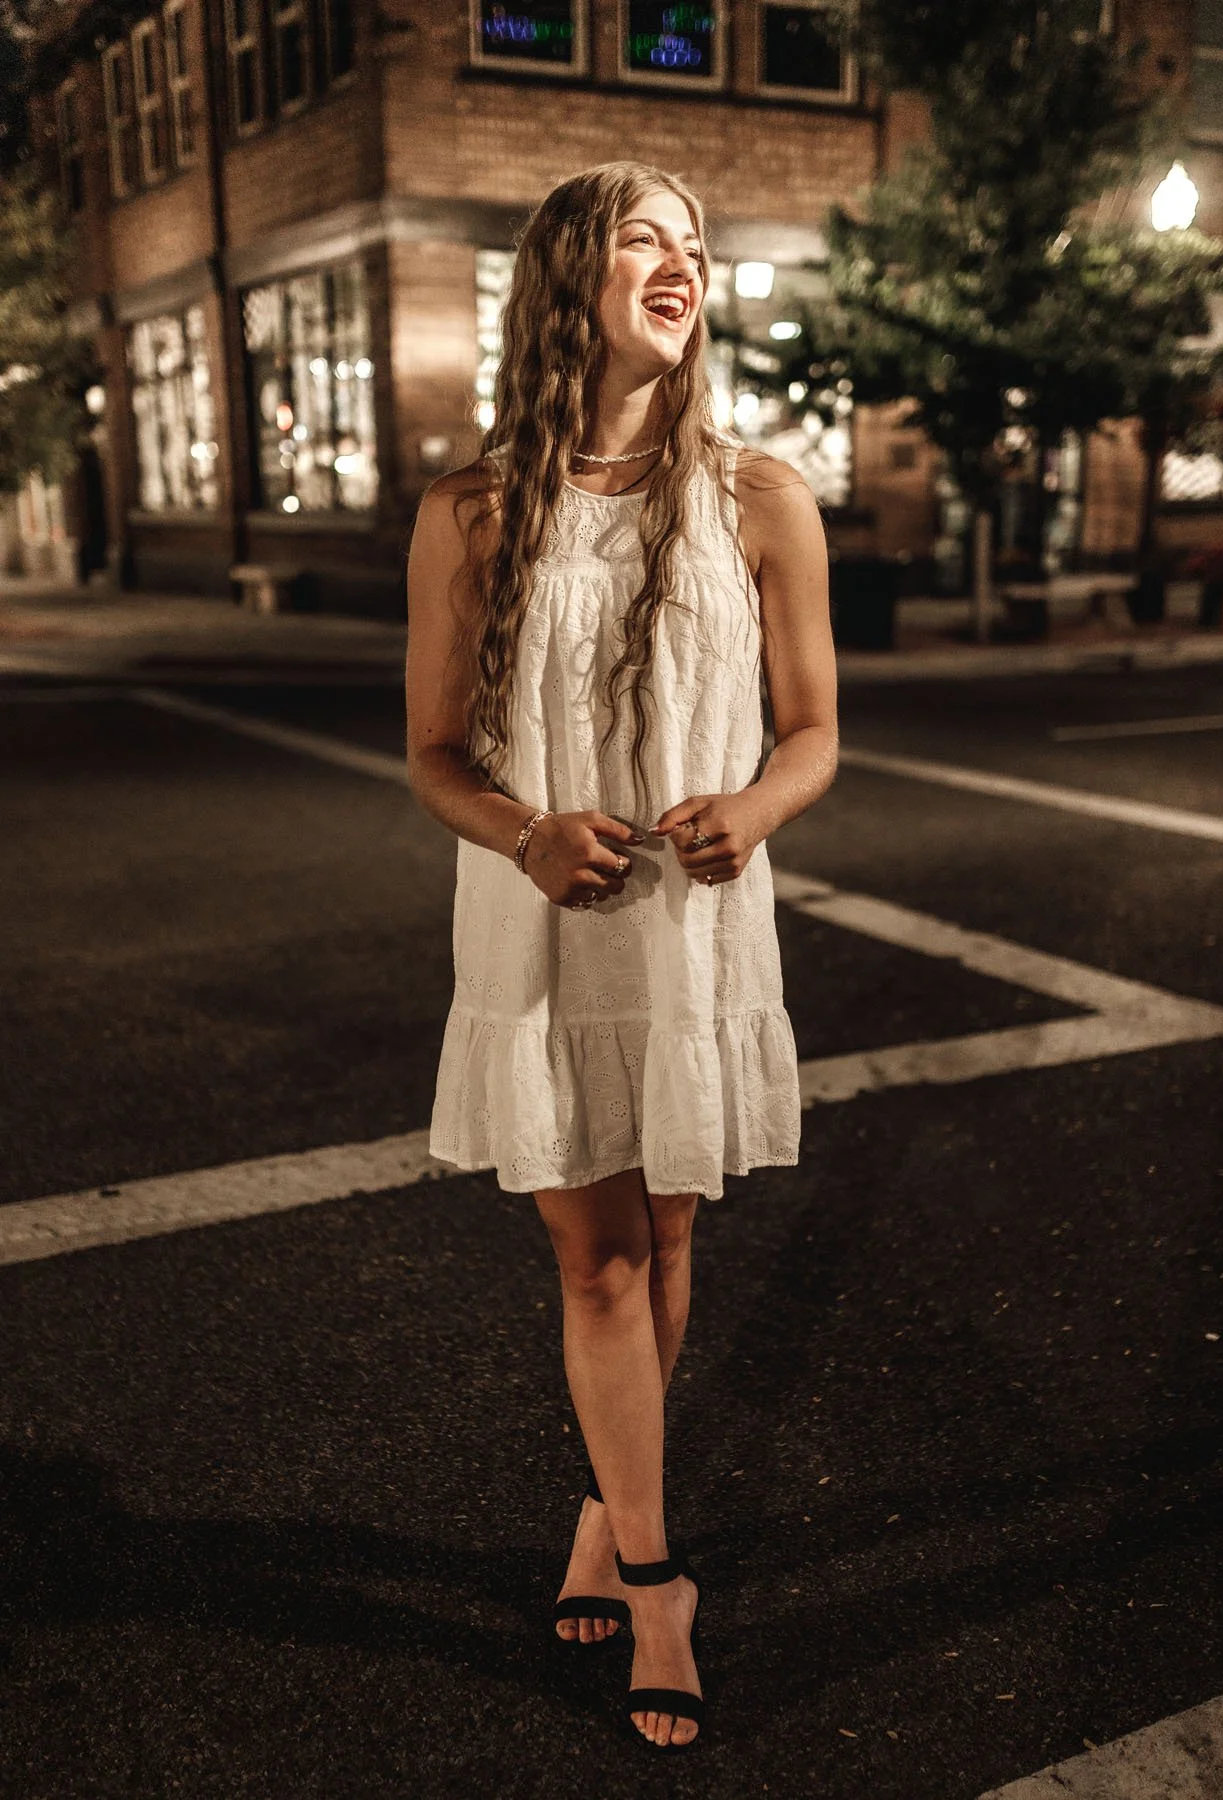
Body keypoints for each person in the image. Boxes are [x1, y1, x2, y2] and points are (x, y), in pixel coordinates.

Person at [405, 161, 837, 1752]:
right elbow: (434, 754)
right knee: (592, 1262)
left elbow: (813, 733)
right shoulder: (470, 508)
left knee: (661, 1252)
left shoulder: (759, 495)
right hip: (542, 923)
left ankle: (606, 1508)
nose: (683, 260)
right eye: (646, 235)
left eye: (697, 243)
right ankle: (659, 1578)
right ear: (568, 272)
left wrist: (755, 808)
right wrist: (521, 832)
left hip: (693, 927)